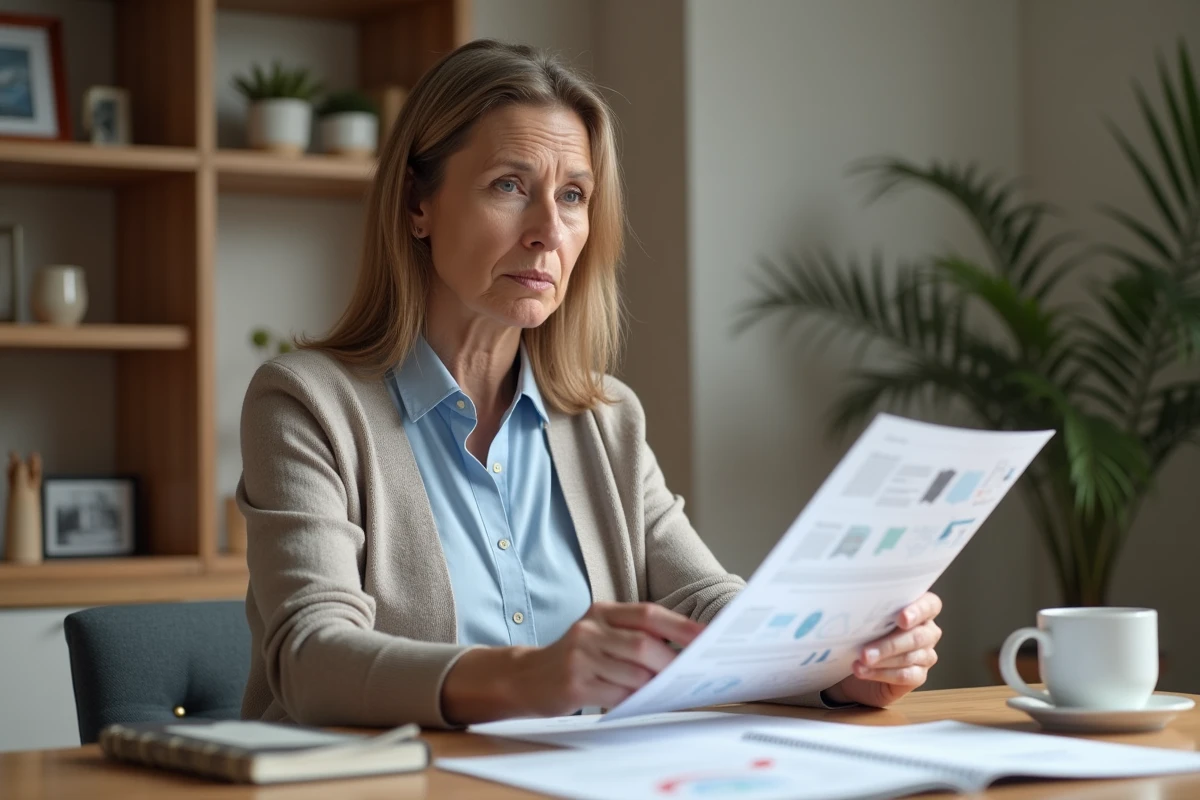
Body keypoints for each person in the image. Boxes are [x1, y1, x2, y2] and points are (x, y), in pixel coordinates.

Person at [237, 39, 943, 729]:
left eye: (572, 195)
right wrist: (526, 676)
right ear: (418, 205)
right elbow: (310, 658)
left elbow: (700, 603)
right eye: (509, 186)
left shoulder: (608, 419)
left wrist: (832, 664)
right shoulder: (307, 403)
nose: (548, 230)